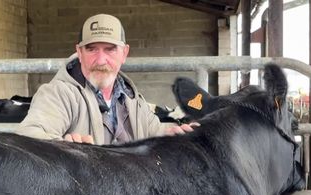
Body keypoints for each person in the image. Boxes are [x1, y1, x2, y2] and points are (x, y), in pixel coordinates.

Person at [16, 14, 195, 145]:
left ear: (124, 53)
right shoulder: (58, 94)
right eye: (92, 49)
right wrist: (65, 148)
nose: (101, 60)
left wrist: (172, 133)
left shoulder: (133, 100)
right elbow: (28, 137)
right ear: (79, 52)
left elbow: (154, 131)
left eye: (110, 49)